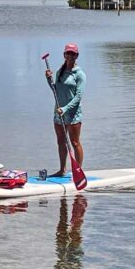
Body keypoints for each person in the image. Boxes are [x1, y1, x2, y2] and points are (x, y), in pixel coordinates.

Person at [45, 43, 86, 177]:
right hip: (58, 113)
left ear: (77, 56)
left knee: (74, 142)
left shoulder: (80, 74)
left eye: (73, 54)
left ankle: (78, 171)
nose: (70, 56)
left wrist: (65, 108)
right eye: (68, 53)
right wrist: (48, 80)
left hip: (73, 114)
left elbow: (78, 97)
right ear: (64, 55)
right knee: (60, 142)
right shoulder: (59, 72)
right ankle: (62, 170)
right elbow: (55, 91)